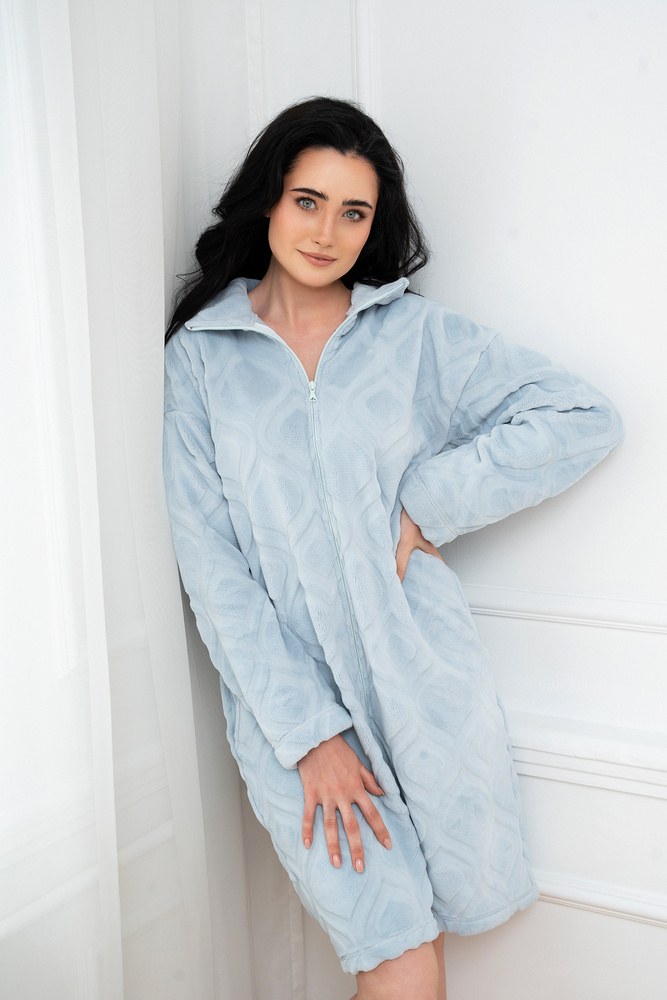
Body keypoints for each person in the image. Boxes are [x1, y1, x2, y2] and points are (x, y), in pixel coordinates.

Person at [162, 96, 623, 1000]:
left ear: (375, 225)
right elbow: (211, 567)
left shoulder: (411, 337)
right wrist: (311, 738)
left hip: (422, 685)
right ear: (268, 199)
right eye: (307, 201)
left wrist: (429, 500)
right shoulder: (201, 357)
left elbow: (581, 415)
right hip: (291, 713)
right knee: (400, 959)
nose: (325, 232)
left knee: (421, 959)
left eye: (353, 212)